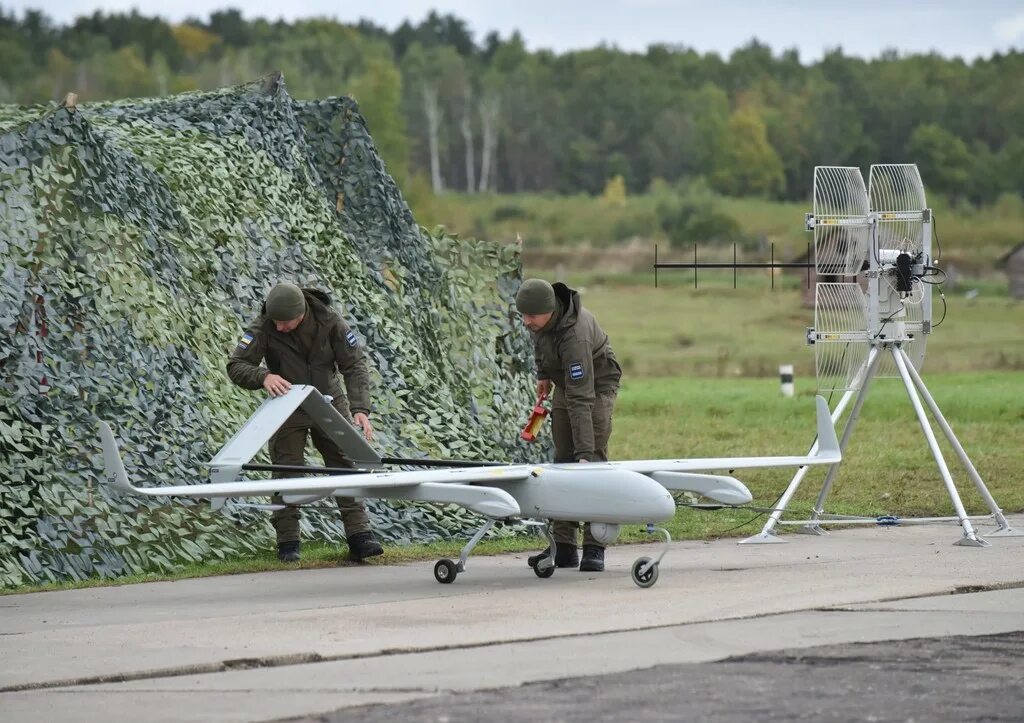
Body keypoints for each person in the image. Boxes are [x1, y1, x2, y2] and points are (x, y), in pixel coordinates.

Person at [227, 282, 384, 563]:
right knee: (285, 471)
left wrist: (360, 408)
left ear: (301, 313)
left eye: (285, 322)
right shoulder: (264, 326)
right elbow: (237, 365)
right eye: (275, 322)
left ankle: (360, 536)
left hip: (329, 400)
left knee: (345, 463)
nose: (280, 328)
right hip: (286, 402)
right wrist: (263, 376)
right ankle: (288, 543)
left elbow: (354, 364)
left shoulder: (331, 321)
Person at [515, 278, 621, 572]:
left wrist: (584, 452)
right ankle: (563, 547)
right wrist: (543, 374)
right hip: (567, 384)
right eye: (522, 315)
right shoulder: (541, 321)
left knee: (592, 465)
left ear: (549, 311)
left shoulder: (576, 336)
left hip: (595, 387)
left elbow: (582, 399)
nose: (526, 322)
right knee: (562, 463)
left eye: (531, 316)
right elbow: (542, 344)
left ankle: (594, 547)